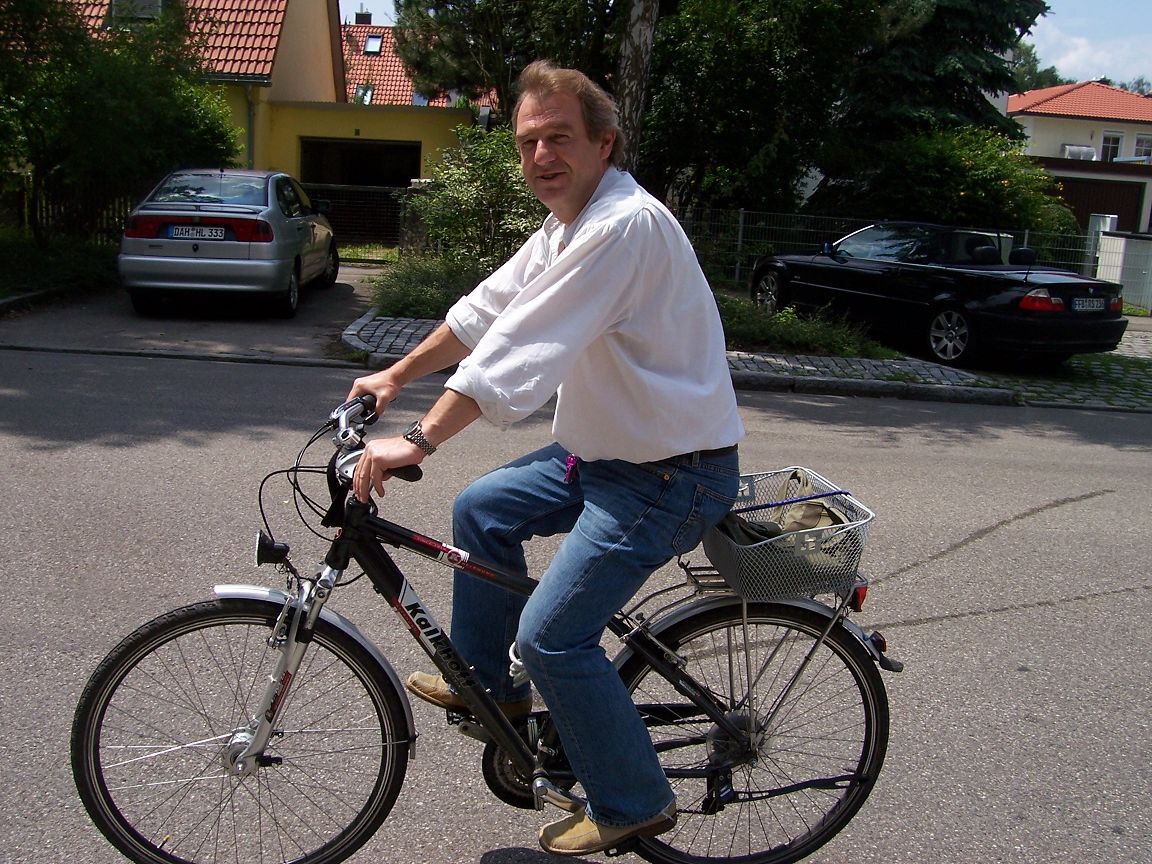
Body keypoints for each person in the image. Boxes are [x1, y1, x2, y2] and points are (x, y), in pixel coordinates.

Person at [346, 60, 744, 857]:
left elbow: (515, 356)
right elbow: (484, 315)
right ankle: (490, 687)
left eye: (558, 138)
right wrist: (393, 375)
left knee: (555, 637)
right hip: (604, 456)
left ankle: (632, 799)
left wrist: (418, 438)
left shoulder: (619, 227)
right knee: (482, 509)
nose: (540, 156)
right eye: (528, 142)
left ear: (605, 143)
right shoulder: (568, 224)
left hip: (671, 476)